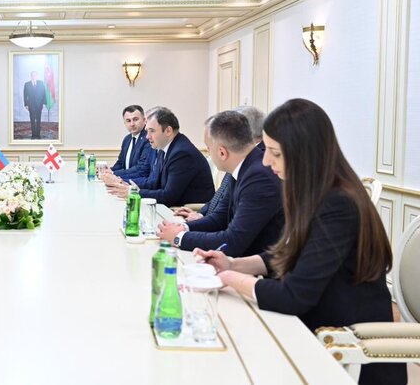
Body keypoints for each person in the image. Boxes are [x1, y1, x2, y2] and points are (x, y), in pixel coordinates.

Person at [195, 99, 405, 385]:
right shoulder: (313, 193)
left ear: (304, 154)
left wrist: (228, 278)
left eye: (275, 153)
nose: (266, 161)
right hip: (314, 332)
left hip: (344, 350)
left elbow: (293, 296)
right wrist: (233, 264)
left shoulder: (338, 204)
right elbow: (288, 253)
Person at [157, 111, 284, 257]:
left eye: (208, 147)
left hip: (253, 265)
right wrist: (183, 227)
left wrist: (179, 237)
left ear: (222, 153)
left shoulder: (259, 178)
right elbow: (219, 218)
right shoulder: (243, 167)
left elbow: (233, 242)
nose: (208, 152)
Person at [107, 107, 214, 207]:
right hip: (173, 207)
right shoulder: (164, 148)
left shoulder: (181, 154)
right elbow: (154, 183)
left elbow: (168, 196)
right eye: (147, 131)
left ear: (168, 131)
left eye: (152, 131)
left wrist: (132, 192)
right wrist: (127, 185)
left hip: (188, 211)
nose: (147, 136)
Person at [175, 105, 266, 222]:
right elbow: (221, 196)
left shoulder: (259, 162)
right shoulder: (237, 155)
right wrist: (201, 214)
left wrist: (201, 219)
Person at [109, 105, 153, 180]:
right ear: (124, 123)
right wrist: (107, 171)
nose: (132, 124)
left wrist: (113, 174)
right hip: (125, 181)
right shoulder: (127, 139)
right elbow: (120, 164)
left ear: (144, 120)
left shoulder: (148, 138)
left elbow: (141, 168)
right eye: (128, 121)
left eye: (135, 119)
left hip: (140, 183)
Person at [23, 71, 46, 139]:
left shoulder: (41, 83)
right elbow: (25, 95)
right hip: (31, 105)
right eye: (32, 75)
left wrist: (44, 103)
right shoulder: (27, 84)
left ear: (37, 76)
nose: (34, 76)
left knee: (38, 119)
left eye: (35, 75)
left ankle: (38, 134)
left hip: (39, 104)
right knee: (32, 119)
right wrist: (26, 104)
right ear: (31, 76)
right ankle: (33, 134)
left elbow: (44, 93)